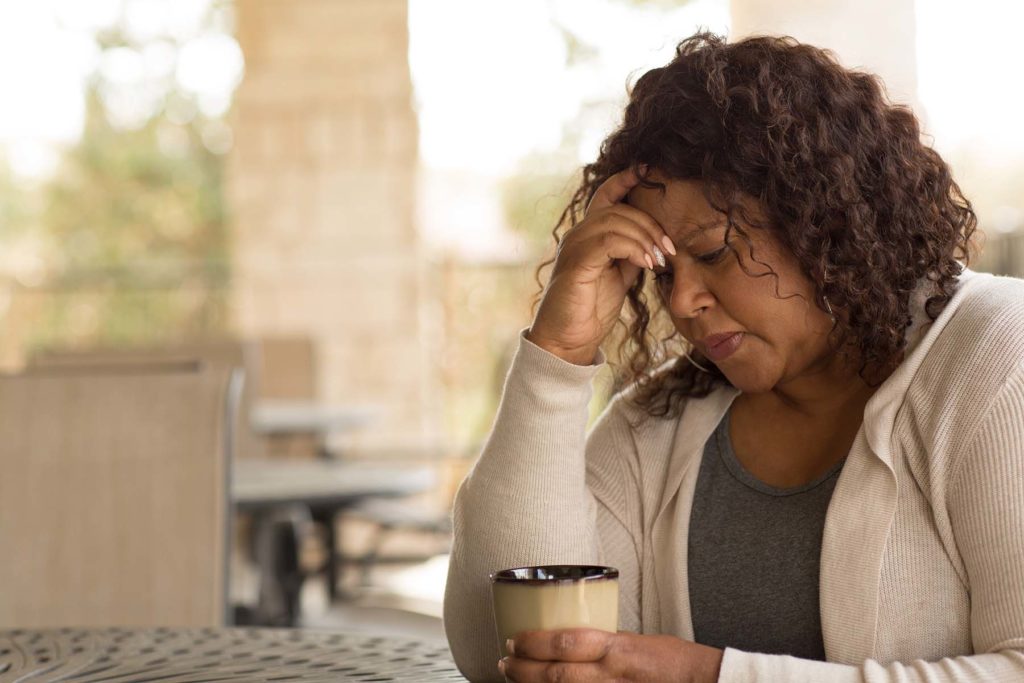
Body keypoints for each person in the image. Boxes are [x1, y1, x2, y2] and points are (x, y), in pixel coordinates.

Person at [443, 31, 1024, 683]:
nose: (684, 300)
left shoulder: (995, 355)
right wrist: (558, 354)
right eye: (661, 272)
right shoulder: (658, 426)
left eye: (715, 252)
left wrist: (709, 674)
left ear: (820, 219)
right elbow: (499, 649)